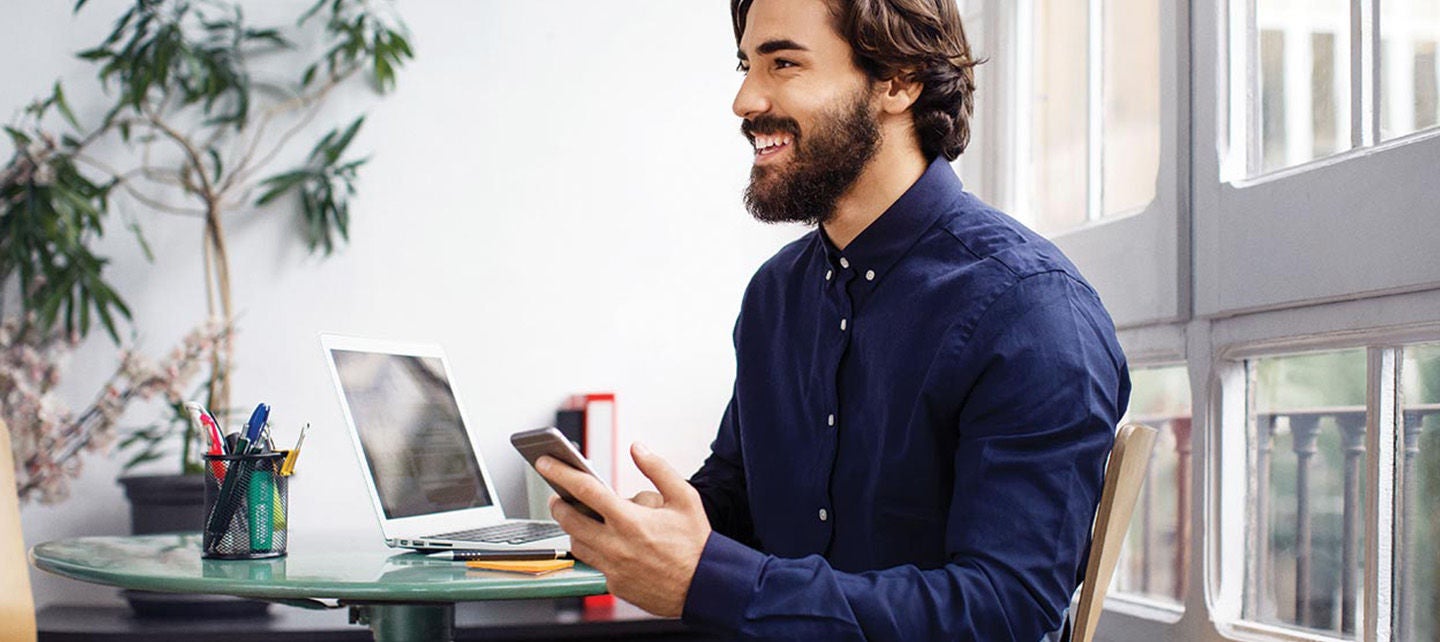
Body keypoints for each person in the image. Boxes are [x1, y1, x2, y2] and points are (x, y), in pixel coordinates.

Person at [535, 0, 1131, 639]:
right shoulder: (776, 296)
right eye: (745, 65)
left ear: (898, 81)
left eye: (783, 63)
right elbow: (741, 487)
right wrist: (668, 525)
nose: (743, 100)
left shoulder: (1032, 311)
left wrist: (708, 578)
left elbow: (1002, 610)